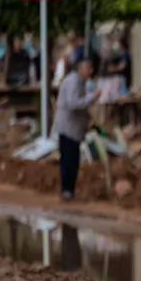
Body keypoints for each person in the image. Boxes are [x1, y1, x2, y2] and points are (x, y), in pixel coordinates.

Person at [54, 59, 100, 201]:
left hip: (74, 129)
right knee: (68, 161)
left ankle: (70, 190)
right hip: (68, 128)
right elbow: (73, 103)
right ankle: (66, 190)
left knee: (73, 161)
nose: (91, 72)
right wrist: (92, 97)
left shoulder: (80, 82)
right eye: (88, 69)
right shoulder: (73, 82)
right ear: (81, 69)